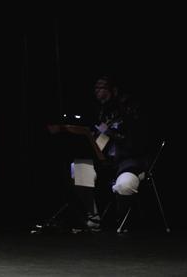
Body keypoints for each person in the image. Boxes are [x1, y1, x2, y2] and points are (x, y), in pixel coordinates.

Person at [63, 75, 149, 231]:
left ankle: (122, 221)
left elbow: (136, 141)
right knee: (79, 168)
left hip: (127, 162)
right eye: (96, 88)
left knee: (125, 185)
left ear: (114, 91)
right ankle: (93, 216)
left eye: (102, 87)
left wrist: (112, 132)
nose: (98, 91)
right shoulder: (100, 111)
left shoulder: (130, 113)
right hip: (105, 163)